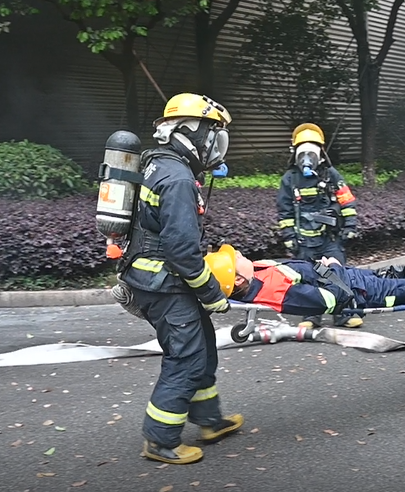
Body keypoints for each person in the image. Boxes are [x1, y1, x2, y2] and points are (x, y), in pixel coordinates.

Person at [116, 93, 243, 465]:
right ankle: (159, 441)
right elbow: (183, 252)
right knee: (185, 359)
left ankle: (209, 421)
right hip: (165, 285)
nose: (216, 147)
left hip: (156, 279)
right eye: (214, 136)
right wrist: (213, 294)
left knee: (203, 347)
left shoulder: (157, 163)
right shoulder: (178, 178)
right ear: (194, 133)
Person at [202, 246, 405, 316]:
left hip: (347, 278)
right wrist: (334, 269)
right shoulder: (274, 292)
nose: (237, 252)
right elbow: (331, 301)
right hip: (358, 293)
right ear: (238, 279)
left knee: (397, 275)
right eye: (234, 257)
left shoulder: (256, 271)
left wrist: (329, 268)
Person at [276, 122, 362, 329]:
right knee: (309, 278)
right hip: (304, 240)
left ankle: (343, 315)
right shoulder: (290, 179)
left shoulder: (331, 175)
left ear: (321, 154)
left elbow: (346, 201)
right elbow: (284, 210)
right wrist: (289, 237)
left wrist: (349, 226)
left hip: (329, 238)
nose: (307, 159)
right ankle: (311, 316)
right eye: (302, 153)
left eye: (311, 153)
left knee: (336, 274)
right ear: (295, 154)